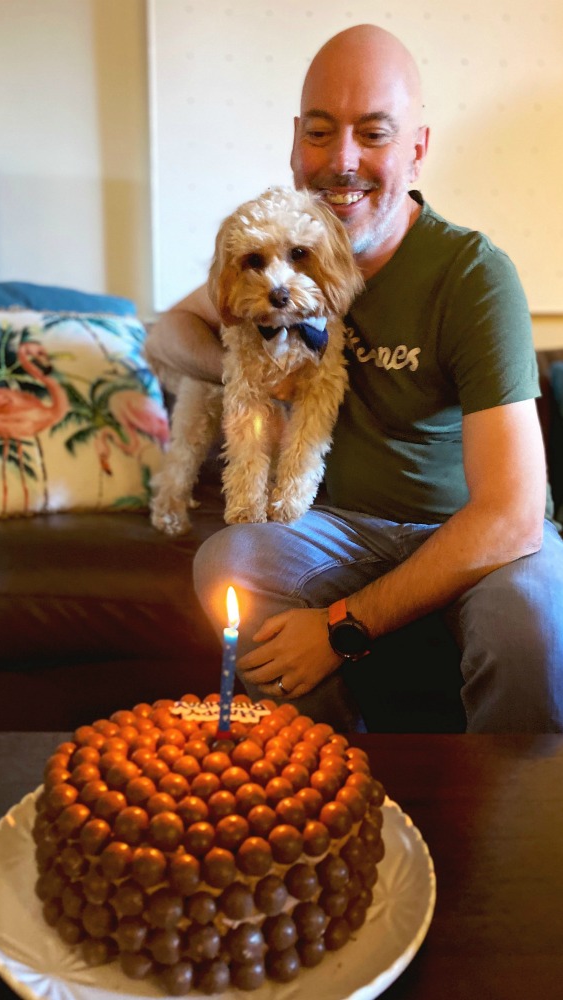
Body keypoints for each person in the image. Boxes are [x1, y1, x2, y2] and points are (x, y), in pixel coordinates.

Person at [147, 23, 563, 733]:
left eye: (372, 134)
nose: (342, 161)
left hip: (460, 527)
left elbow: (513, 515)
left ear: (416, 150)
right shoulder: (287, 248)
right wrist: (249, 372)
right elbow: (167, 332)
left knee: (527, 626)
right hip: (337, 528)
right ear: (293, 144)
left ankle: (509, 832)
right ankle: (333, 787)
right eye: (319, 132)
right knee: (229, 561)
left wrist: (342, 627)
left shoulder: (470, 275)